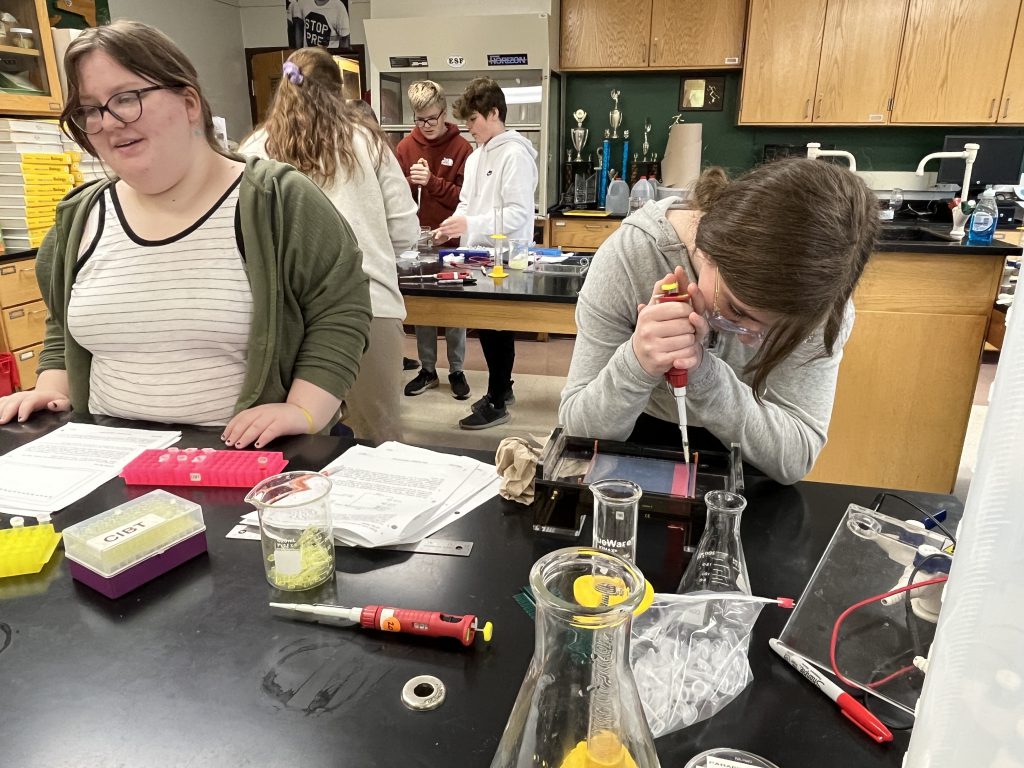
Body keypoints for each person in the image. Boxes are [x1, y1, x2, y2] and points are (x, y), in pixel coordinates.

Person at [0, 21, 371, 449]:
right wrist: (52, 387)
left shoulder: (276, 199)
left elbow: (339, 309)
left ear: (189, 101)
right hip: (108, 463)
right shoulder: (80, 217)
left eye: (127, 98)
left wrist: (304, 409)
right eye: (90, 109)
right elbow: (60, 324)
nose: (109, 122)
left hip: (243, 465)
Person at [559, 159, 879, 484]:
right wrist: (638, 362)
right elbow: (578, 432)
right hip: (636, 438)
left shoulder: (822, 303)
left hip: (752, 451)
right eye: (737, 310)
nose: (750, 339)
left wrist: (702, 373)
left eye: (777, 332)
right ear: (707, 250)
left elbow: (795, 457)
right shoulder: (630, 257)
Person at [240, 47, 418, 444]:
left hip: (285, 315)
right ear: (339, 92)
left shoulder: (253, 149)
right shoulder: (367, 142)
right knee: (379, 440)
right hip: (370, 305)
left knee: (296, 444)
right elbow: (405, 230)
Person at [434, 77, 538, 430]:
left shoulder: (515, 155)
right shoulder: (478, 155)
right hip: (478, 254)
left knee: (497, 325)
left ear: (494, 113)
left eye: (474, 120)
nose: (469, 127)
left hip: (508, 256)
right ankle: (502, 389)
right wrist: (453, 226)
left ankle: (496, 399)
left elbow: (518, 215)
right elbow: (467, 203)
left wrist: (469, 224)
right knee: (486, 324)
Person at [394, 80, 473, 402]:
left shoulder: (462, 149)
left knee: (455, 311)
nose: (426, 126)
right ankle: (427, 369)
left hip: (452, 242)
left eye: (432, 118)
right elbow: (395, 197)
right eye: (420, 119)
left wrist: (434, 182)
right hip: (418, 242)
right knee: (424, 310)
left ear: (444, 113)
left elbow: (465, 201)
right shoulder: (404, 148)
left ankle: (456, 369)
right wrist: (407, 184)